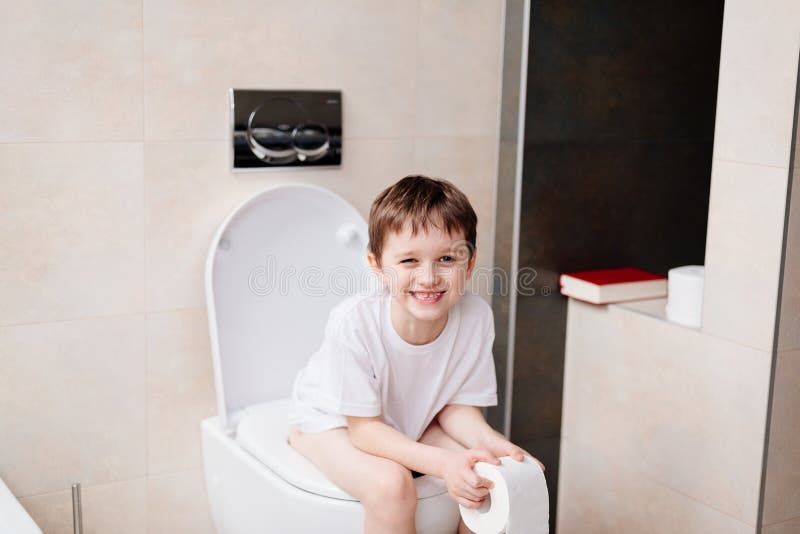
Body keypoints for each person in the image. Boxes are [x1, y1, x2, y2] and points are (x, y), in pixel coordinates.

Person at [287, 175, 544, 534]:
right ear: (377, 266)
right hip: (335, 423)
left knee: (486, 477)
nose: (429, 277)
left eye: (446, 259)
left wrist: (498, 448)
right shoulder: (354, 323)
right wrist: (445, 463)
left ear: (469, 265)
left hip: (409, 417)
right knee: (391, 486)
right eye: (409, 260)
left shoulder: (475, 317)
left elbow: (457, 409)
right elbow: (365, 431)